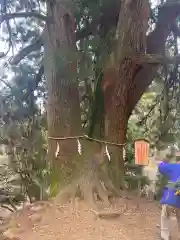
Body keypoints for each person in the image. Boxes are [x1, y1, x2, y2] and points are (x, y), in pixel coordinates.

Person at [158, 160, 180, 240]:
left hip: (170, 199)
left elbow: (161, 167)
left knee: (165, 216)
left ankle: (165, 235)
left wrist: (162, 162)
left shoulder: (175, 166)